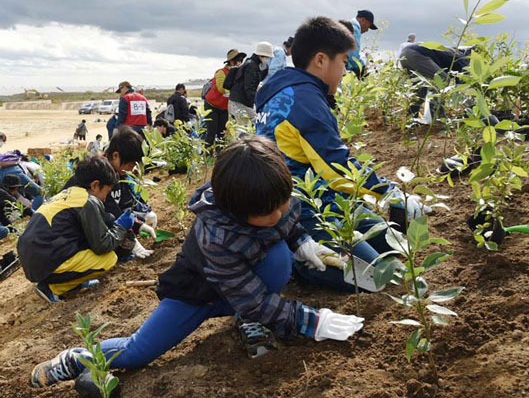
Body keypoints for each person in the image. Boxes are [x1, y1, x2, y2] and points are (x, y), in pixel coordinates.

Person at [30, 136, 364, 388]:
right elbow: (253, 297)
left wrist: (302, 240)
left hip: (241, 290)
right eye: (268, 212)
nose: (279, 213)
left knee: (279, 260)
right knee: (140, 352)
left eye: (281, 202)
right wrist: (310, 320)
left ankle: (249, 320)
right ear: (236, 209)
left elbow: (287, 217)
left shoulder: (270, 191)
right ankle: (77, 357)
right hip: (198, 293)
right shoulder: (215, 236)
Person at [256, 17, 429, 291]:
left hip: (326, 198)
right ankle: (296, 259)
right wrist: (390, 192)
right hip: (301, 210)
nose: (346, 71)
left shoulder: (292, 89)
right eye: (344, 62)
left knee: (394, 243)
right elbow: (336, 167)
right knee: (375, 277)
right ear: (321, 60)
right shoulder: (304, 100)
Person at [18, 155, 134, 303]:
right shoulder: (88, 201)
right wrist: (121, 227)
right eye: (107, 191)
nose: (106, 198)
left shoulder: (68, 193)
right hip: (45, 261)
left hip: (33, 258)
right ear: (95, 185)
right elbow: (102, 245)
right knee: (108, 259)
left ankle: (71, 283)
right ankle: (52, 288)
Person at [64, 126, 156, 259]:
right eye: (130, 165)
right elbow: (111, 211)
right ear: (116, 156)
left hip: (93, 222)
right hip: (75, 232)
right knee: (111, 227)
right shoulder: (99, 174)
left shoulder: (119, 174)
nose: (132, 169)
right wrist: (133, 241)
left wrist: (138, 224)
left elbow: (124, 205)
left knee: (130, 221)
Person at [400, 43, 470, 117]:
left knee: (420, 88)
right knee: (443, 80)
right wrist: (468, 108)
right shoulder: (464, 59)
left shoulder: (451, 52)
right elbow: (461, 88)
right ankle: (437, 115)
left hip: (405, 53)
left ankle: (411, 117)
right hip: (418, 54)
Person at [204, 49, 246, 147]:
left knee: (222, 134)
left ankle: (219, 157)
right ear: (231, 61)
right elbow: (221, 87)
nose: (239, 62)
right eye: (237, 60)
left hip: (224, 108)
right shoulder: (221, 72)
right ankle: (206, 158)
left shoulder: (239, 73)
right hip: (212, 106)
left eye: (241, 60)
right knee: (211, 133)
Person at [228, 42, 273, 125]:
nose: (268, 59)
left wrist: (266, 70)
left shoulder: (252, 64)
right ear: (261, 55)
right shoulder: (251, 66)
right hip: (238, 103)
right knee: (252, 124)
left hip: (238, 102)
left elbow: (256, 79)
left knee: (247, 126)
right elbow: (249, 88)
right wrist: (258, 104)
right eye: (267, 57)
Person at [347, 10, 378, 78]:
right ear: (363, 20)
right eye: (368, 26)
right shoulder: (355, 29)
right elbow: (353, 57)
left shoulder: (348, 25)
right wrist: (363, 68)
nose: (367, 30)